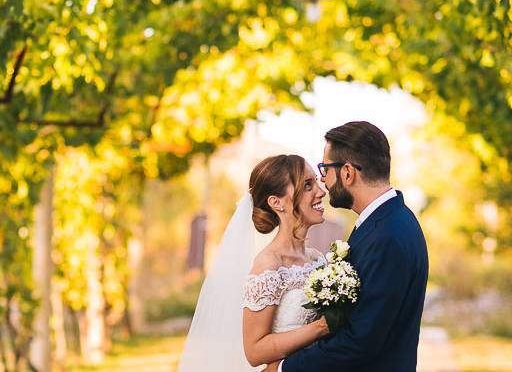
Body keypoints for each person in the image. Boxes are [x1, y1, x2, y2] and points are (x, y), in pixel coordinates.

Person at [267, 121, 429, 372]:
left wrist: (283, 369)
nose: (323, 182)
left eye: (325, 169)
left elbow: (360, 341)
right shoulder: (388, 221)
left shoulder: (387, 235)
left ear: (348, 173)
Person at [178, 154, 330, 371]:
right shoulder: (269, 265)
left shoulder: (316, 258)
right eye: (307, 185)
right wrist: (321, 327)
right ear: (276, 202)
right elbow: (255, 351)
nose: (321, 191)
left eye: (316, 182)